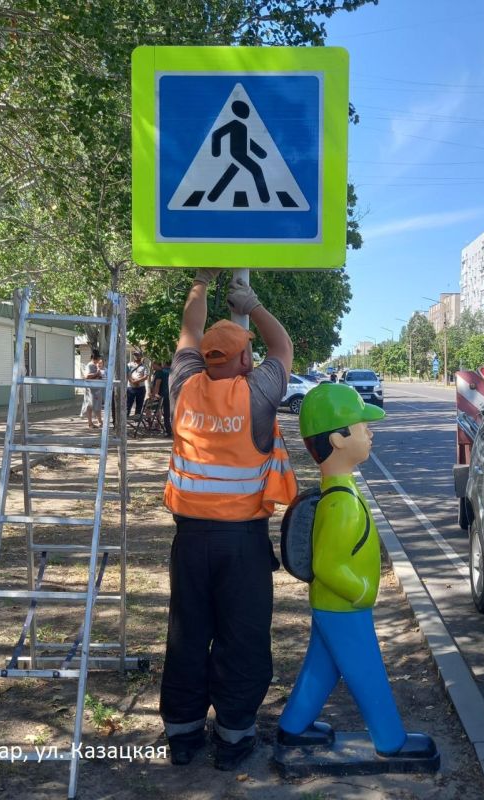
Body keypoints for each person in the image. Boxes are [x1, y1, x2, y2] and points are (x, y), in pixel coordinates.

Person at [160, 270, 297, 771]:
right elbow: (281, 348)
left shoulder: (183, 387)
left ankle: (182, 736)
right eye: (248, 355)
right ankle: (235, 740)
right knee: (241, 636)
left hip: (190, 540)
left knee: (188, 633)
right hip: (241, 543)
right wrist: (253, 305)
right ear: (243, 359)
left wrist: (200, 282)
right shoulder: (256, 394)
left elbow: (188, 332)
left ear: (205, 360)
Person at [276, 382, 439, 766]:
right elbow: (327, 565)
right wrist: (362, 589)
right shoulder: (341, 503)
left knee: (323, 666)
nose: (371, 433)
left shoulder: (341, 493)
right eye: (363, 427)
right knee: (366, 671)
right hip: (344, 606)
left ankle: (293, 726)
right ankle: (391, 740)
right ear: (338, 439)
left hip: (335, 605)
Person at [81, 350, 104, 429]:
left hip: (97, 389)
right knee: (90, 405)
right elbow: (87, 376)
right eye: (98, 358)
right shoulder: (90, 365)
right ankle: (92, 422)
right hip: (91, 390)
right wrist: (96, 374)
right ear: (95, 358)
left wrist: (99, 375)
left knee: (97, 405)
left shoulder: (95, 365)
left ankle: (99, 421)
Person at [151, 358, 172, 436]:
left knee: (166, 414)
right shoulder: (173, 371)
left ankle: (168, 431)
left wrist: (155, 394)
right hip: (174, 395)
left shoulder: (160, 372)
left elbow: (157, 384)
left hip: (164, 395)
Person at [127, 351, 149, 417]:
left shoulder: (144, 366)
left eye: (138, 355)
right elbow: (127, 374)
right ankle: (126, 417)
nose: (136, 356)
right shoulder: (129, 365)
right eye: (135, 355)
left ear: (141, 356)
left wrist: (137, 381)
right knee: (128, 403)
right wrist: (132, 382)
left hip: (141, 387)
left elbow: (145, 377)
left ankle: (137, 418)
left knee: (139, 404)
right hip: (131, 387)